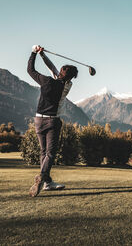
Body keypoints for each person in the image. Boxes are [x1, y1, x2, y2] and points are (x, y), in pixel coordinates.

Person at [27, 45, 78, 197]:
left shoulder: (46, 81)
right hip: (52, 122)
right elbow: (54, 69)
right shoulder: (67, 86)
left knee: (43, 152)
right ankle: (42, 176)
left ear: (60, 72)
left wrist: (35, 53)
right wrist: (42, 55)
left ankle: (48, 183)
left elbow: (31, 70)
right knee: (50, 153)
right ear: (72, 77)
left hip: (38, 120)